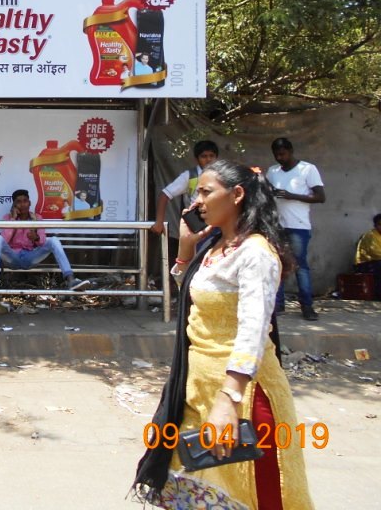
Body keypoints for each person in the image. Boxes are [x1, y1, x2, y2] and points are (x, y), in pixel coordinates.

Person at [132, 160, 314, 508]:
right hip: (198, 390)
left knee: (253, 493)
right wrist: (185, 252)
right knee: (191, 489)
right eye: (196, 192)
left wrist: (228, 400)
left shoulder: (255, 253)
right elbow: (194, 299)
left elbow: (254, 329)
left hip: (241, 398)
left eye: (205, 191)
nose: (196, 201)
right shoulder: (214, 247)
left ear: (237, 195)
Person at [0, 189, 91, 292]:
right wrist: (13, 220)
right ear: (14, 205)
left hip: (31, 258)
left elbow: (42, 241)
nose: (22, 204)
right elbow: (4, 240)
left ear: (29, 203)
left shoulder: (37, 218)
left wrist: (36, 238)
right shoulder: (7, 218)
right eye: (19, 202)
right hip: (12, 258)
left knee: (53, 240)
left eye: (25, 201)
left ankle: (71, 280)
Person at [267, 137, 325, 320]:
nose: (280, 158)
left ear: (291, 151)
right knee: (277, 264)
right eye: (276, 155)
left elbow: (320, 197)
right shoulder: (273, 171)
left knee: (299, 265)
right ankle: (278, 304)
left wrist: (292, 195)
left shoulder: (307, 169)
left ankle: (307, 306)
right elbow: (267, 193)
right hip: (277, 224)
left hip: (298, 225)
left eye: (282, 154)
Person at [151, 139, 219, 237]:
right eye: (204, 156)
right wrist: (159, 222)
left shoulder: (222, 176)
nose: (208, 159)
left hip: (218, 223)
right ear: (197, 159)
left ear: (216, 157)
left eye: (211, 156)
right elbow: (164, 195)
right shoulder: (190, 176)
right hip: (197, 224)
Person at [354, 213, 381, 300]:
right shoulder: (370, 235)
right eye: (380, 224)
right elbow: (376, 254)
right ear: (375, 225)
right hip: (364, 265)